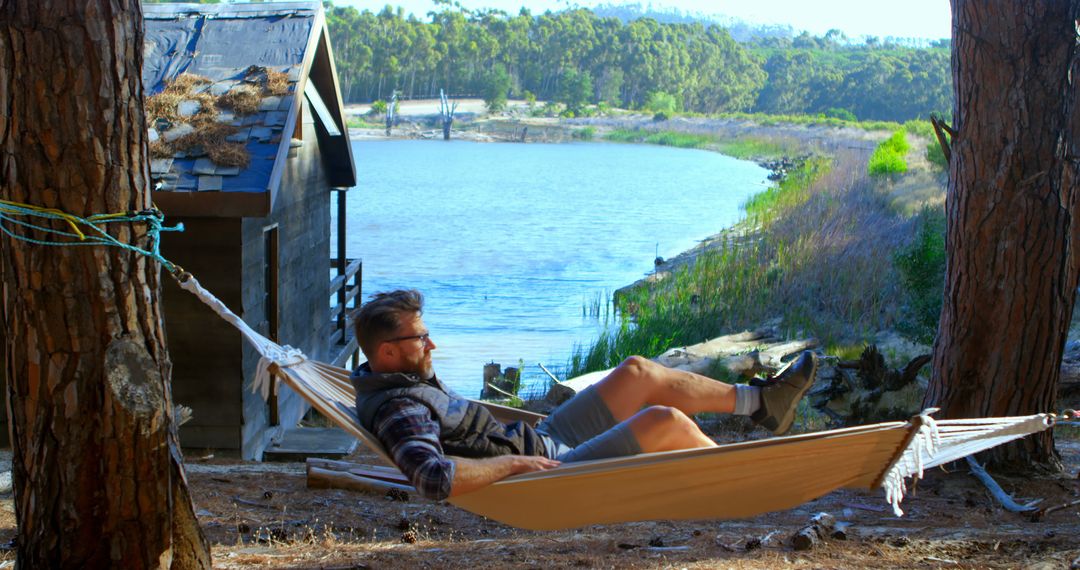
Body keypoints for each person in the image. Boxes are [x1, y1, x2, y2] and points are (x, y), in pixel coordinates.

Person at [351, 289, 818, 501]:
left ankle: (760, 404)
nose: (433, 345)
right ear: (389, 352)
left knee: (635, 370)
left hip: (541, 439)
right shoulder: (400, 409)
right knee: (665, 420)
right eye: (420, 340)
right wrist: (514, 464)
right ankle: (755, 485)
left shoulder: (401, 379)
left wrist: (521, 447)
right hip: (543, 475)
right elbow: (433, 479)